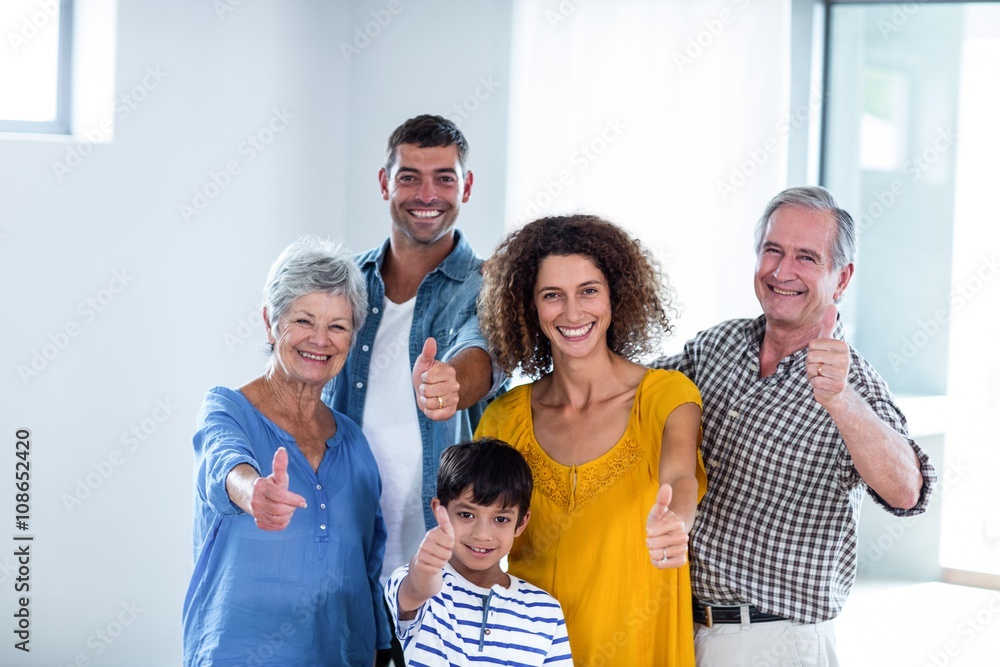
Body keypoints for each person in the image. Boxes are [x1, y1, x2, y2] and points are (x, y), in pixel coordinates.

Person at [653, 186, 937, 666]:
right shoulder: (716, 346)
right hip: (682, 628)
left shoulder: (856, 385)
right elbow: (632, 393)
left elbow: (907, 491)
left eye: (806, 257)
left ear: (840, 278)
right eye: (773, 251)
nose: (783, 272)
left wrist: (840, 400)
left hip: (773, 642)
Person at [474, 214, 706, 665]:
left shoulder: (666, 395)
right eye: (552, 296)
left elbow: (681, 477)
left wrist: (676, 524)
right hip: (529, 653)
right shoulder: (504, 419)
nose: (573, 312)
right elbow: (472, 541)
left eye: (589, 291)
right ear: (530, 307)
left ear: (615, 296)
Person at [322, 114, 503, 665]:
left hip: (446, 578)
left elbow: (485, 353)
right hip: (345, 566)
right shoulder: (343, 283)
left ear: (466, 187)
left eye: (444, 178)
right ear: (384, 183)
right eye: (410, 177)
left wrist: (454, 384)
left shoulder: (490, 285)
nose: (427, 194)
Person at [183, 238, 388, 666]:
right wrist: (252, 490)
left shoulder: (354, 442)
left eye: (338, 326)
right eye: (304, 320)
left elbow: (367, 569)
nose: (320, 339)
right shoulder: (227, 409)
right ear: (270, 322)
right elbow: (224, 463)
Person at [384, 437, 573, 664]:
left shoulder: (546, 611)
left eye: (501, 518)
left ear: (522, 522)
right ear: (439, 509)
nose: (482, 534)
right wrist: (424, 570)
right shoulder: (411, 582)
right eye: (466, 514)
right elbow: (416, 590)